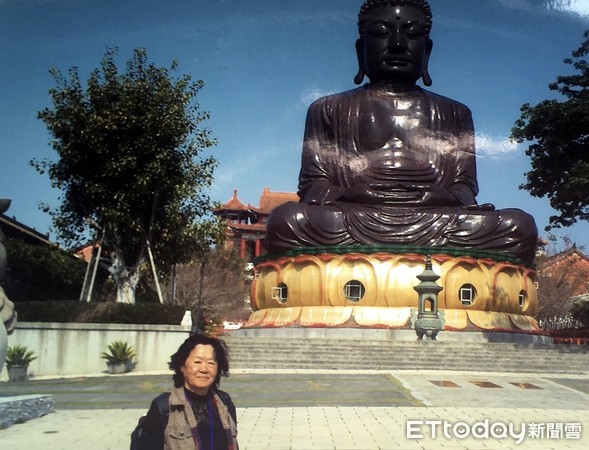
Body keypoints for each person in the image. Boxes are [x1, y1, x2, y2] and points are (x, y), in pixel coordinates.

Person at [266, 0, 538, 264]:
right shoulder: (328, 109)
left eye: (412, 34)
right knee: (288, 220)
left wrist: (441, 197)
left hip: (435, 218)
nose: (397, 44)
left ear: (427, 50)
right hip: (354, 213)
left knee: (518, 225)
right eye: (382, 33)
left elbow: (463, 186)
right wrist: (352, 193)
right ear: (361, 49)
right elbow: (314, 184)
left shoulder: (455, 113)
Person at [136, 334, 238, 450]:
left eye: (211, 363)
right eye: (197, 362)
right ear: (182, 366)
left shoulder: (224, 402)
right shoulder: (163, 406)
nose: (204, 369)